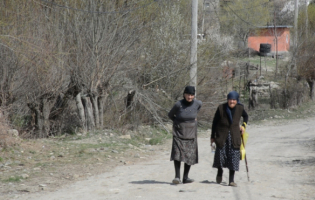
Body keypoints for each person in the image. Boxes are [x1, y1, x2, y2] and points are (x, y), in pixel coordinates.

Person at [211, 91, 248, 187]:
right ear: (227, 100)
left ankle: (231, 180)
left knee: (234, 157)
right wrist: (212, 137)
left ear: (237, 100)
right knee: (220, 156)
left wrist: (243, 126)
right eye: (230, 99)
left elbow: (246, 116)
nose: (232, 101)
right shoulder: (221, 108)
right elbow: (214, 123)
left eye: (234, 100)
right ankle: (220, 171)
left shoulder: (240, 108)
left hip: (234, 136)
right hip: (221, 135)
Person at [168, 86, 202, 184]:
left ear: (194, 95)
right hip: (179, 133)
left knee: (189, 155)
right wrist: (177, 122)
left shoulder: (198, 103)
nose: (190, 97)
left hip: (191, 133)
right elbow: (170, 115)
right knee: (177, 155)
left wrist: (194, 118)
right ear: (184, 94)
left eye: (192, 95)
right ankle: (177, 177)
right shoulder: (178, 104)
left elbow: (198, 109)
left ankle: (185, 177)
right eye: (188, 94)